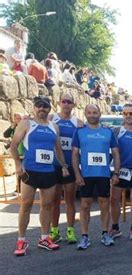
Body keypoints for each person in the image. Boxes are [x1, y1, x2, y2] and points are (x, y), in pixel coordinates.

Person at [10, 96, 69, 256]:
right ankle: (21, 240)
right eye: (39, 106)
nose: (42, 109)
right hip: (30, 171)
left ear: (50, 108)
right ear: (34, 108)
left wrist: (63, 166)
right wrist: (17, 164)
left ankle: (44, 238)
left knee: (47, 206)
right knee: (26, 205)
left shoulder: (54, 127)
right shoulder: (27, 124)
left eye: (45, 106)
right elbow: (13, 146)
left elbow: (58, 149)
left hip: (48, 171)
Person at [72, 104, 120, 250]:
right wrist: (77, 174)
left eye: (95, 112)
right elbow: (74, 154)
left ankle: (105, 234)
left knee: (104, 204)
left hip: (103, 175)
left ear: (99, 113)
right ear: (85, 114)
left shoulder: (107, 131)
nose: (92, 115)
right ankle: (84, 236)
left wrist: (116, 173)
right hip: (86, 175)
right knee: (85, 204)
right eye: (89, 112)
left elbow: (116, 153)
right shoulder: (80, 132)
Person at [49, 93, 84, 244]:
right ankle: (54, 230)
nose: (66, 104)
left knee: (70, 199)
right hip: (54, 165)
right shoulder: (51, 119)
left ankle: (70, 230)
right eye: (64, 101)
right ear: (59, 103)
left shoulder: (78, 122)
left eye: (69, 102)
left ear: (73, 105)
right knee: (54, 200)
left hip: (70, 166)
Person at [110, 104, 132, 240]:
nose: (128, 116)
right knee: (114, 199)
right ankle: (115, 227)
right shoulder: (117, 130)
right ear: (122, 115)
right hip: (119, 169)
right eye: (125, 113)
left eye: (131, 113)